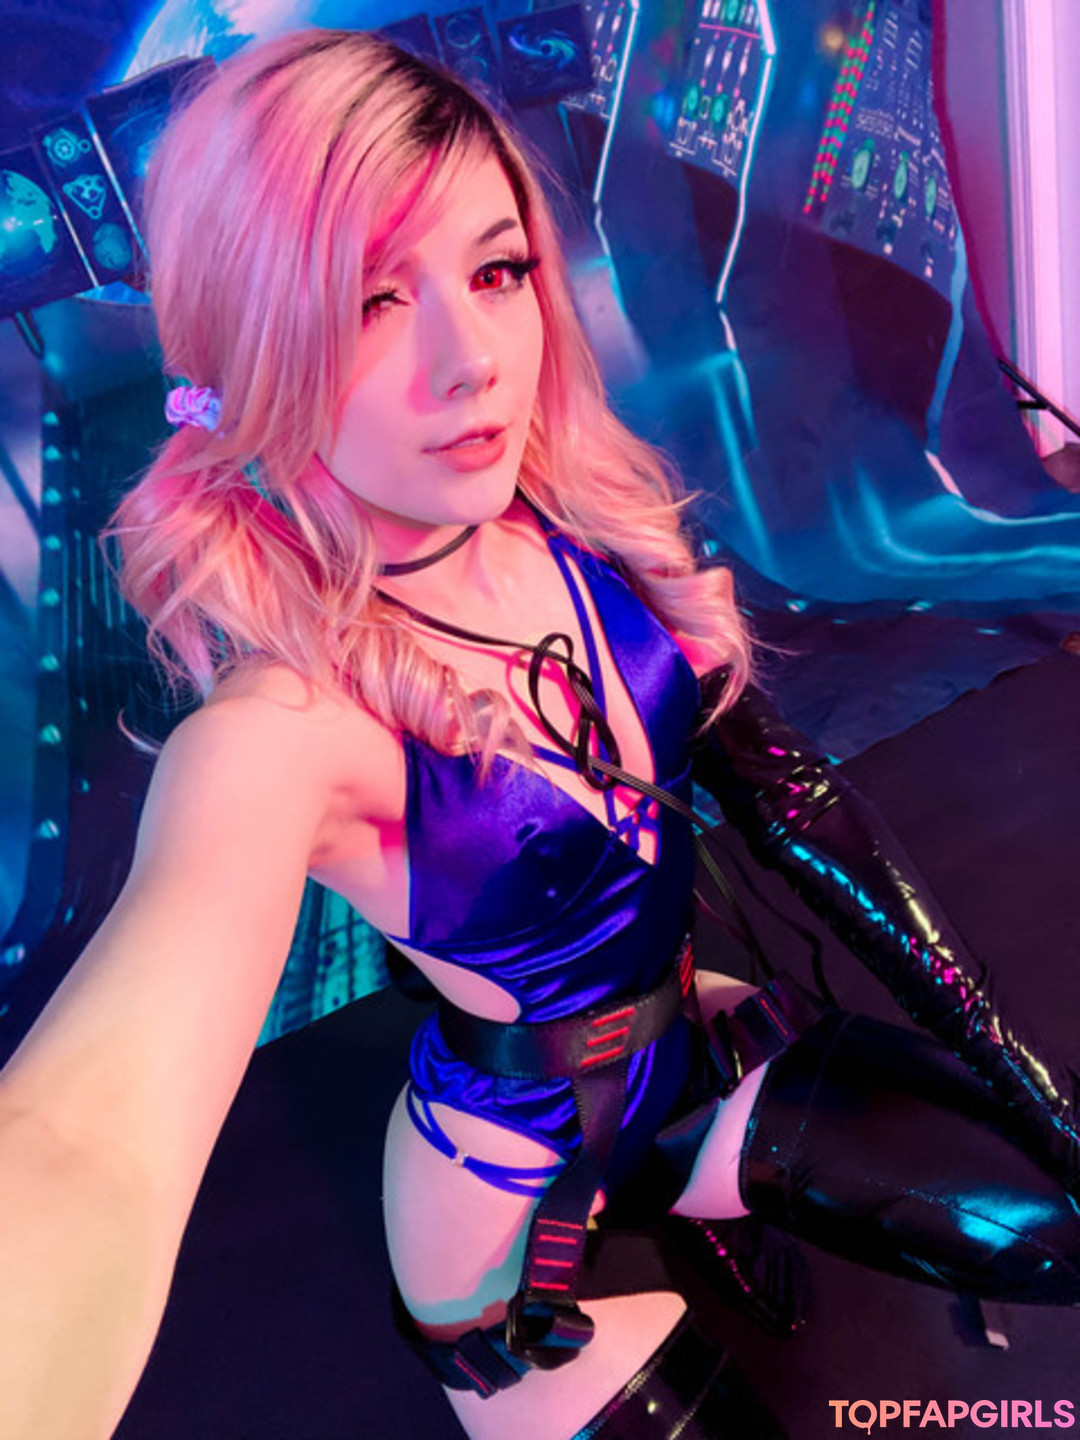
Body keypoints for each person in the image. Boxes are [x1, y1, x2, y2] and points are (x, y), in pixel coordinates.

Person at [1, 28, 1078, 1440]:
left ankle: (704, 1201)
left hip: (694, 1052)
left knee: (1047, 1216)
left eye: (497, 271)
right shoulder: (279, 732)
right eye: (372, 299)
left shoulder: (580, 528)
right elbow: (81, 1144)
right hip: (505, 1214)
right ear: (250, 346)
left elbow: (796, 803)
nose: (471, 363)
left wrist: (1011, 1063)